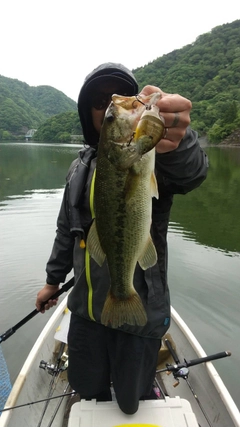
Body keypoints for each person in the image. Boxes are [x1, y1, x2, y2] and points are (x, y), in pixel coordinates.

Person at [35, 62, 208, 415]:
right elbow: (65, 229)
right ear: (88, 115)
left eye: (119, 97)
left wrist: (178, 141)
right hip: (85, 310)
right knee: (86, 387)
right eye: (100, 103)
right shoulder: (78, 167)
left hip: (140, 312)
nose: (109, 106)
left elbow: (192, 172)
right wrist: (53, 281)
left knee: (131, 401)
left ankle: (143, 394)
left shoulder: (153, 156)